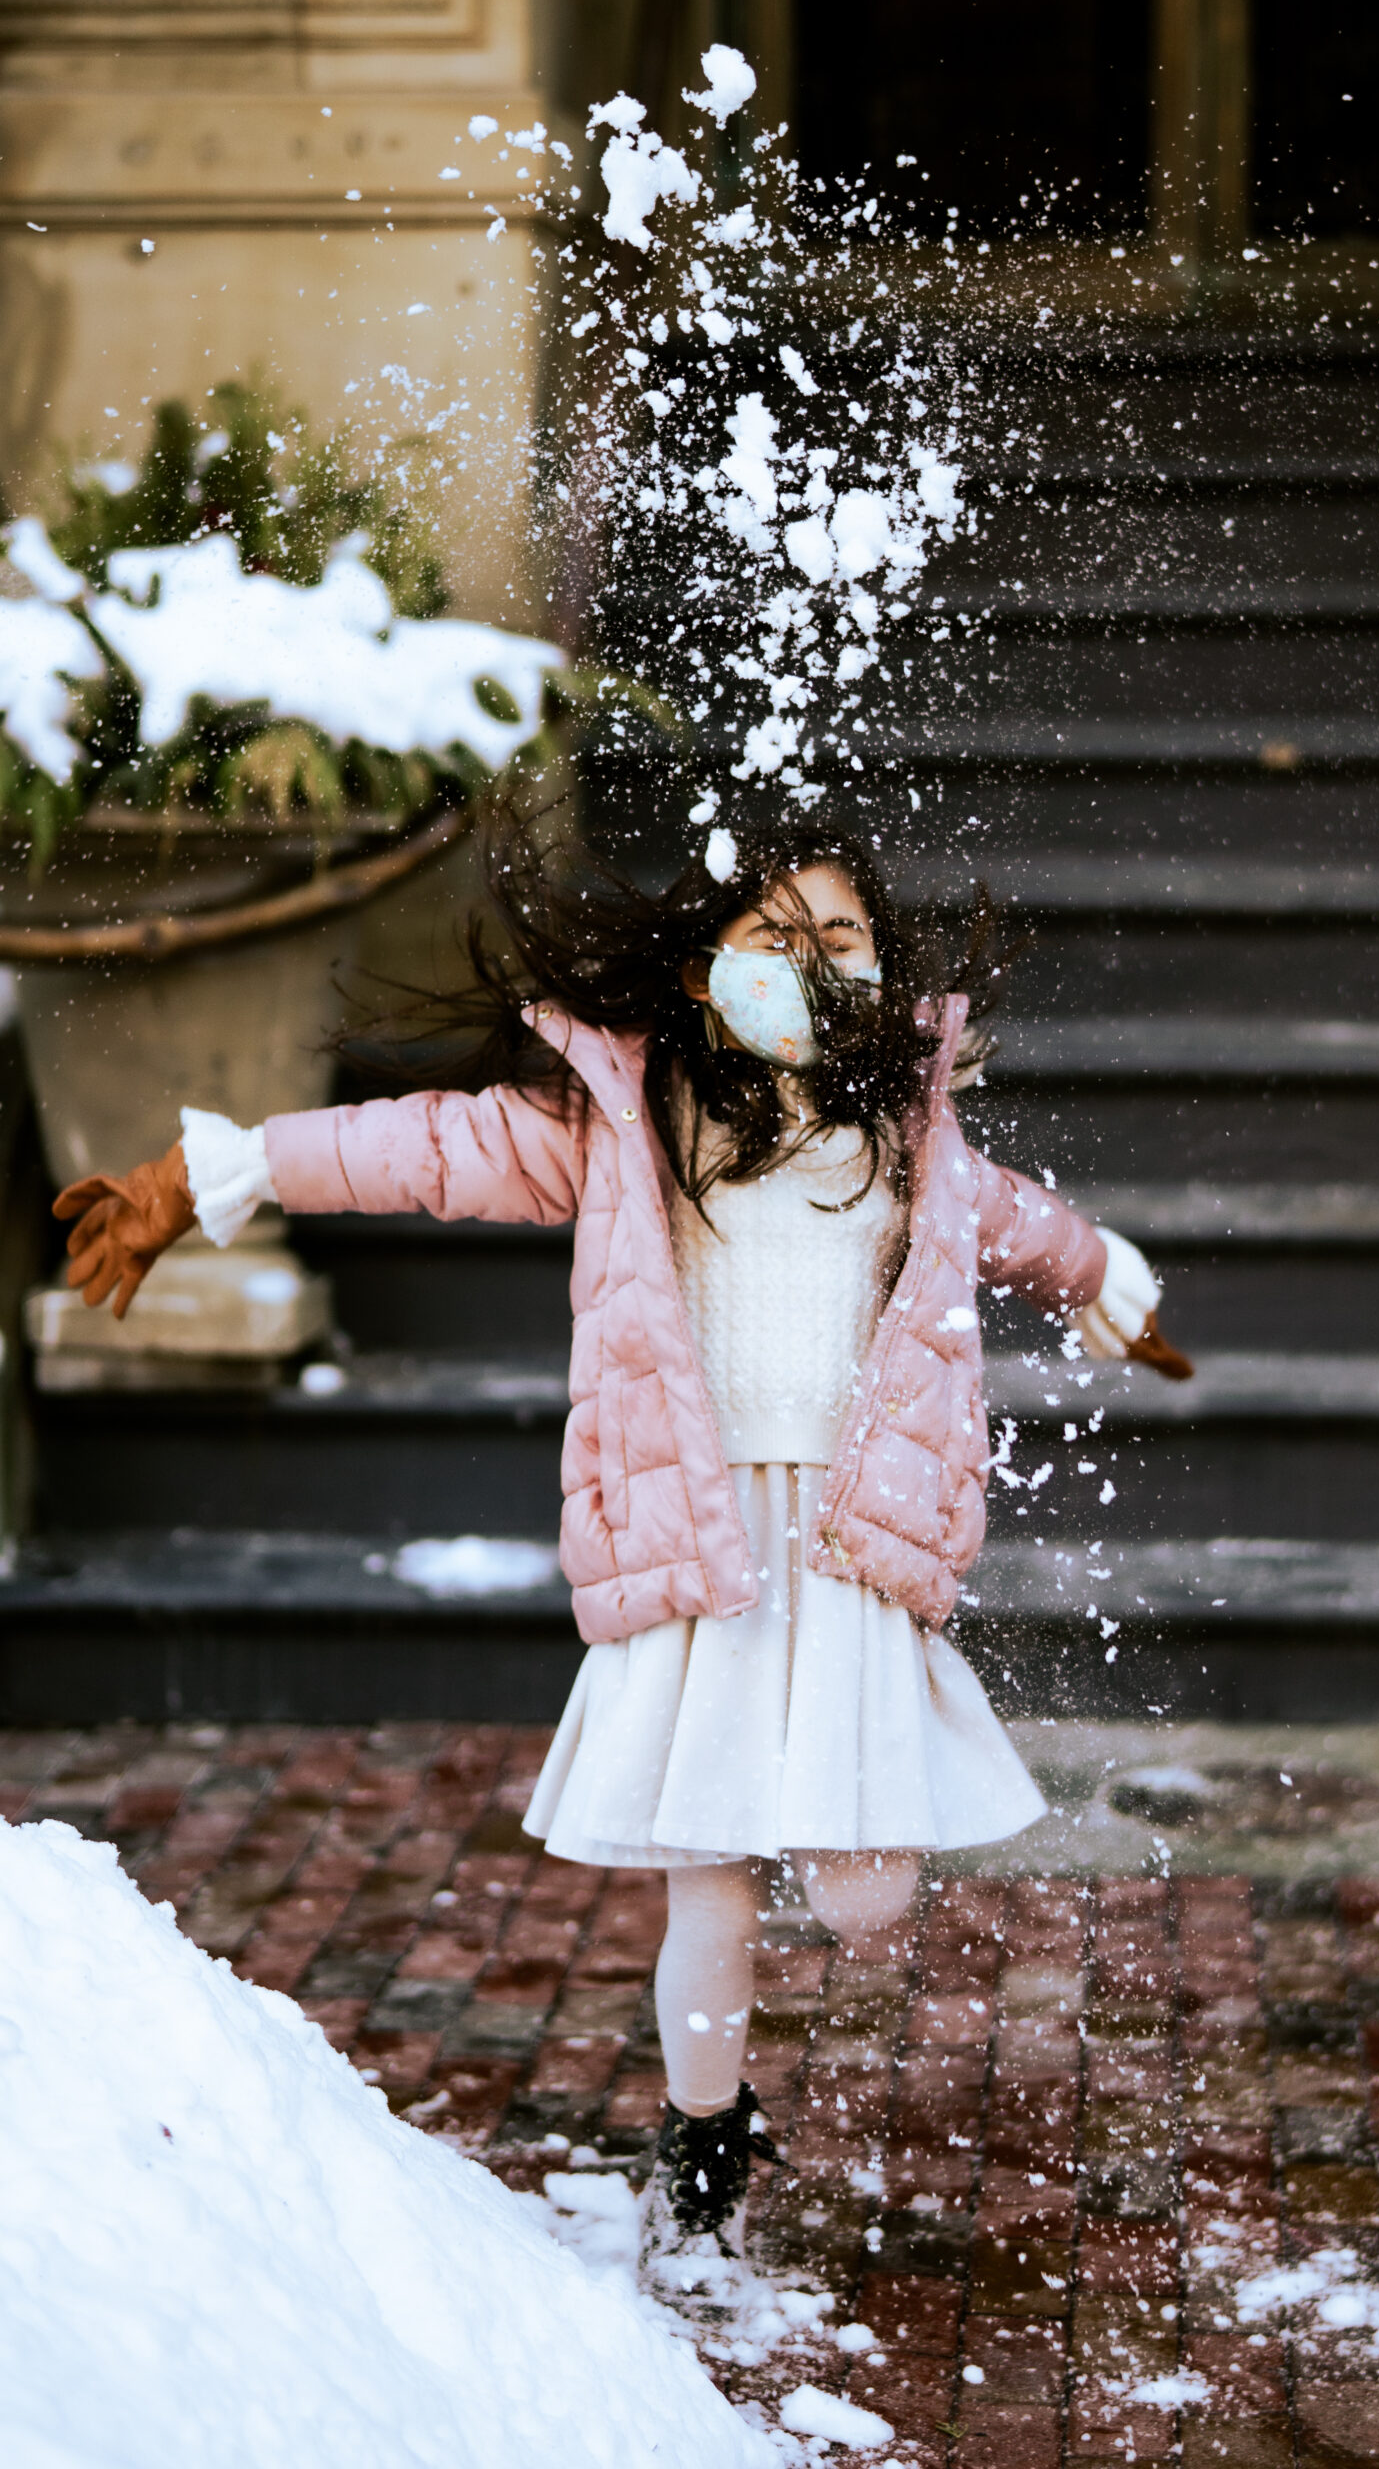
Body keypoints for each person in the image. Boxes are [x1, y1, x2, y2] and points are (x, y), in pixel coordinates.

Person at [52, 807, 1191, 2277]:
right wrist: (220, 1172)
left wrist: (1109, 1278)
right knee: (709, 1872)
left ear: (882, 974)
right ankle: (705, 2132)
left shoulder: (910, 1142)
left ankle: (743, 2058)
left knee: (865, 1894)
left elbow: (1025, 1231)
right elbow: (426, 1146)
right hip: (701, 1534)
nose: (806, 959)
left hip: (846, 1545)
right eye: (771, 934)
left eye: (839, 938)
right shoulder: (627, 1120)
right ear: (707, 959)